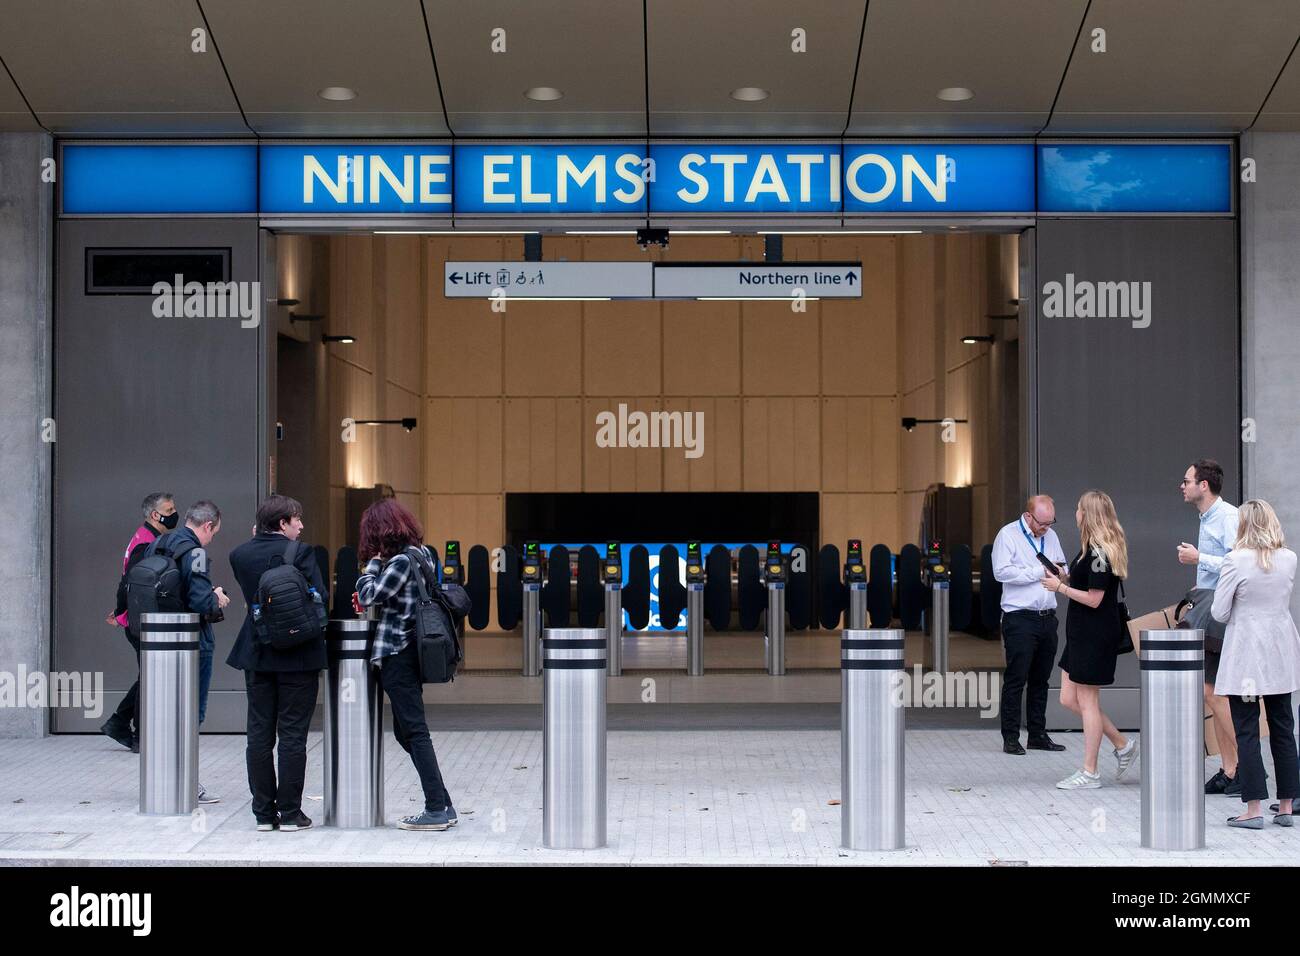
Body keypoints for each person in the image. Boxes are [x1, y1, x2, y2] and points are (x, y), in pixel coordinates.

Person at [355, 499, 456, 831]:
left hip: (398, 650)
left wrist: (371, 564)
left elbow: (371, 594)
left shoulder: (398, 562)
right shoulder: (422, 554)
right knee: (404, 730)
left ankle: (436, 808)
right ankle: (443, 801)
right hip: (414, 649)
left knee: (414, 729)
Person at [227, 495, 326, 832]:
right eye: (296, 519)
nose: (301, 525)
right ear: (282, 523)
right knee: (293, 736)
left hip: (258, 652)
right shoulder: (302, 554)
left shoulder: (238, 555)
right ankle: (291, 813)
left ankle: (263, 815)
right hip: (298, 655)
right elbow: (319, 598)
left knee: (258, 735)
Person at [1210, 500, 1300, 829]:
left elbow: (1219, 612)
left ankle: (1253, 808)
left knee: (1247, 730)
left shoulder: (1235, 560)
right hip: (1280, 652)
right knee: (1282, 728)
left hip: (1247, 655)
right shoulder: (1289, 559)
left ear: (1243, 525)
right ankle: (1288, 805)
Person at [1044, 491, 1137, 789]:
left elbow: (1095, 599)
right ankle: (1123, 744)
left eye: (1079, 508)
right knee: (1068, 698)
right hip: (1081, 634)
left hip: (1094, 635)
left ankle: (1090, 772)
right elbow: (1087, 586)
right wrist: (1066, 577)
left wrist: (1059, 587)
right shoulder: (1090, 549)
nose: (1076, 513)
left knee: (1086, 701)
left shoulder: (1099, 552)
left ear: (1089, 514)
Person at [146, 499, 230, 804]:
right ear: (207, 526)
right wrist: (216, 596)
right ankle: (185, 782)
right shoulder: (194, 552)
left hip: (159, 641)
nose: (211, 540)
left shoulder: (160, 542)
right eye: (214, 533)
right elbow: (199, 601)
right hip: (192, 642)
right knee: (191, 713)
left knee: (165, 712)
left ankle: (161, 779)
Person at [1178, 458, 1242, 794]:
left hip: (1221, 609)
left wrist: (1199, 558)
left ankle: (1246, 764)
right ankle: (1230, 769)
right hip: (1208, 605)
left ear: (1204, 485)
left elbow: (1238, 561)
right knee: (1210, 691)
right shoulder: (1207, 517)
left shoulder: (1228, 516)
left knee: (1212, 691)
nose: (1182, 485)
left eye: (1187, 480)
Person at [991, 495, 1069, 755]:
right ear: (1028, 516)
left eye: (1050, 522)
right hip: (1019, 617)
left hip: (1047, 616)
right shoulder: (1008, 535)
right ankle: (1011, 737)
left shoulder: (1052, 536)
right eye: (1042, 523)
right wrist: (1037, 573)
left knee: (1041, 679)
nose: (1047, 528)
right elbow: (1001, 572)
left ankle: (1037, 734)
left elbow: (1061, 565)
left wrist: (1062, 573)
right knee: (1016, 678)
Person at [101, 492, 178, 752]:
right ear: (155, 515)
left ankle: (119, 723)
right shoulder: (146, 543)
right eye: (169, 509)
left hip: (135, 616)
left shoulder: (148, 537)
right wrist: (121, 610)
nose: (173, 513)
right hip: (139, 619)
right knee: (151, 677)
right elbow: (131, 580)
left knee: (148, 675)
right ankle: (138, 735)